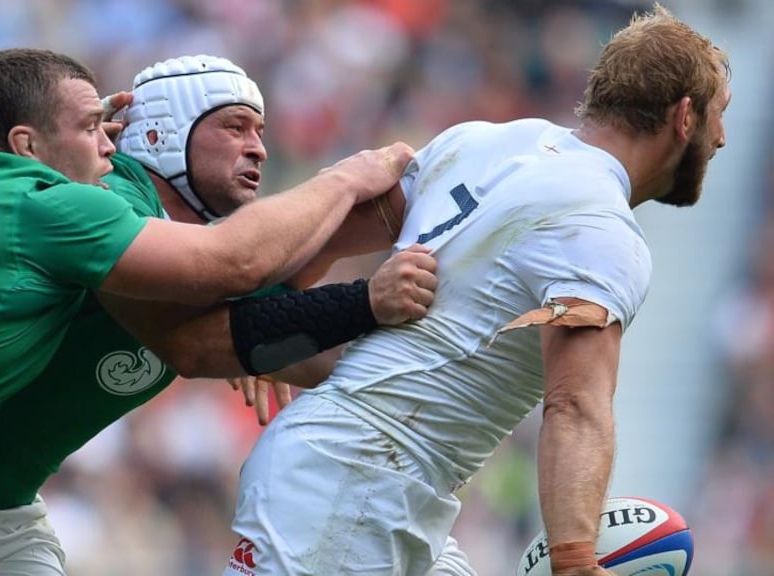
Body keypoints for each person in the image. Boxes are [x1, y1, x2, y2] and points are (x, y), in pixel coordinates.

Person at [0, 48, 421, 575]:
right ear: (28, 147)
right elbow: (218, 296)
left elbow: (254, 284)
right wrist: (351, 186)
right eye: (94, 128)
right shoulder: (54, 205)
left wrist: (65, 117)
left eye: (110, 125)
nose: (109, 143)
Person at [224, 6, 731, 576]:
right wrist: (574, 562)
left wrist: (267, 307)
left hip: (371, 479)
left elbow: (324, 231)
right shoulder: (604, 226)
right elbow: (574, 404)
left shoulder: (483, 142)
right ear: (684, 116)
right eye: (718, 115)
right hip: (356, 484)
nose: (722, 138)